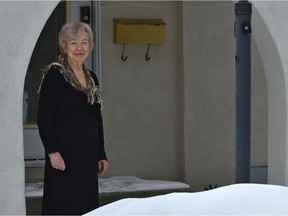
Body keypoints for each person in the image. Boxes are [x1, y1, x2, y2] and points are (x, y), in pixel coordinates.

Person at [37, 22, 108, 215]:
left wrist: (101, 153)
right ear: (64, 45)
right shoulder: (55, 74)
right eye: (74, 43)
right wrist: (53, 152)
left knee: (86, 204)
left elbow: (96, 118)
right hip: (64, 156)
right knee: (63, 203)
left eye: (84, 43)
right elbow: (44, 117)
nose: (80, 48)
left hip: (87, 155)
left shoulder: (91, 77)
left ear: (90, 46)